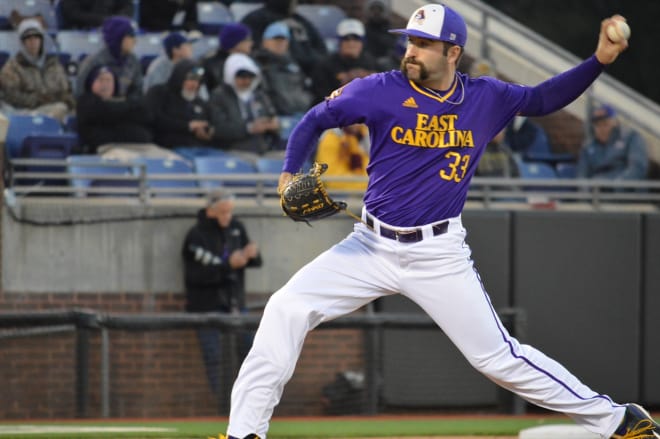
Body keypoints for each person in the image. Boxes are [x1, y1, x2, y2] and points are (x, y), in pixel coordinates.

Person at [217, 5, 659, 439]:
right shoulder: (378, 89)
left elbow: (545, 99)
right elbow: (314, 120)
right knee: (284, 308)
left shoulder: (486, 97)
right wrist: (290, 172)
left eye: (424, 44)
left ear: (453, 52)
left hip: (438, 254)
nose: (411, 51)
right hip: (369, 246)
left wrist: (599, 60)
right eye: (410, 41)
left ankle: (618, 420)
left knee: (497, 360)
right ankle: (244, 434)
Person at [182, 189, 262, 395]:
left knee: (251, 351)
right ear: (210, 210)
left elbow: (254, 261)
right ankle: (221, 401)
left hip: (235, 304)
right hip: (207, 307)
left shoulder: (236, 228)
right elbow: (197, 276)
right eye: (223, 212)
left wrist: (251, 254)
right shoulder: (196, 235)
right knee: (214, 357)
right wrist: (229, 265)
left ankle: (249, 396)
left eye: (229, 212)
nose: (227, 217)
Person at [0, 19, 75, 123]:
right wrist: (39, 99)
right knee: (59, 109)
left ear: (41, 40)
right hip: (24, 112)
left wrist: (67, 100)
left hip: (54, 108)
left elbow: (65, 90)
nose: (33, 42)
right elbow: (11, 96)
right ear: (23, 42)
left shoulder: (54, 65)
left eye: (36, 37)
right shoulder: (12, 67)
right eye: (29, 38)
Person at [209, 53, 281, 159]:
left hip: (264, 148)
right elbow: (219, 129)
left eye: (250, 77)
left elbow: (272, 117)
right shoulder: (219, 96)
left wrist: (274, 126)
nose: (247, 81)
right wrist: (249, 128)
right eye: (242, 77)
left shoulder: (259, 95)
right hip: (234, 149)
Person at [76, 65, 153, 153]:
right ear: (91, 83)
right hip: (110, 149)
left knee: (169, 160)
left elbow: (146, 115)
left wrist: (122, 109)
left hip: (144, 147)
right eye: (100, 80)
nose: (105, 84)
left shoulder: (124, 101)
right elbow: (105, 112)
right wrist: (128, 109)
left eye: (109, 80)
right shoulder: (86, 101)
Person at [241, 0, 327, 77]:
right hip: (277, 69)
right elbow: (252, 47)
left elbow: (320, 46)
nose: (295, 3)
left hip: (311, 70)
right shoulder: (257, 18)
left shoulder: (299, 19)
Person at [146, 59, 214, 149]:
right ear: (180, 77)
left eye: (198, 81)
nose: (194, 84)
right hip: (164, 146)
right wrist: (188, 126)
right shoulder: (159, 92)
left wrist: (206, 132)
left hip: (196, 148)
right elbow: (155, 120)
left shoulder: (200, 102)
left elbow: (206, 123)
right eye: (191, 79)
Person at [252, 21, 314, 117]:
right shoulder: (258, 63)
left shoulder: (293, 64)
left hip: (302, 113)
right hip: (277, 117)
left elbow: (305, 87)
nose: (280, 43)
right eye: (275, 39)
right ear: (265, 41)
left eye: (283, 40)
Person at [310, 18, 379, 103]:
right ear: (339, 41)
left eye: (356, 38)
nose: (351, 43)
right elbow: (323, 99)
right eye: (346, 39)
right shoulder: (324, 66)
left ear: (362, 42)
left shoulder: (372, 63)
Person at [75, 16, 143, 99]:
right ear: (118, 38)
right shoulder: (94, 62)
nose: (135, 41)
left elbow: (138, 90)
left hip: (124, 108)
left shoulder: (133, 61)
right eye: (130, 36)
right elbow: (80, 93)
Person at [576, 104, 649, 180]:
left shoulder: (631, 138)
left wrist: (615, 185)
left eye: (605, 124)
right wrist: (589, 190)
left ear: (615, 123)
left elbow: (637, 169)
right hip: (597, 189)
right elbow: (582, 176)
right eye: (597, 125)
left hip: (624, 189)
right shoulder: (588, 146)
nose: (601, 129)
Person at [314, 124, 369, 191]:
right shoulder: (330, 139)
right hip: (338, 194)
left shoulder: (359, 136)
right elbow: (332, 181)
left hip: (358, 190)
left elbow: (367, 168)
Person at [203, 23, 253, 92]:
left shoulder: (250, 62)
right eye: (247, 39)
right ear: (236, 43)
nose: (251, 43)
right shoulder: (211, 65)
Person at [59, 0, 133, 30]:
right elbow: (71, 13)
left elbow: (128, 7)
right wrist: (101, 20)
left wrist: (113, 21)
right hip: (78, 32)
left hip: (112, 31)